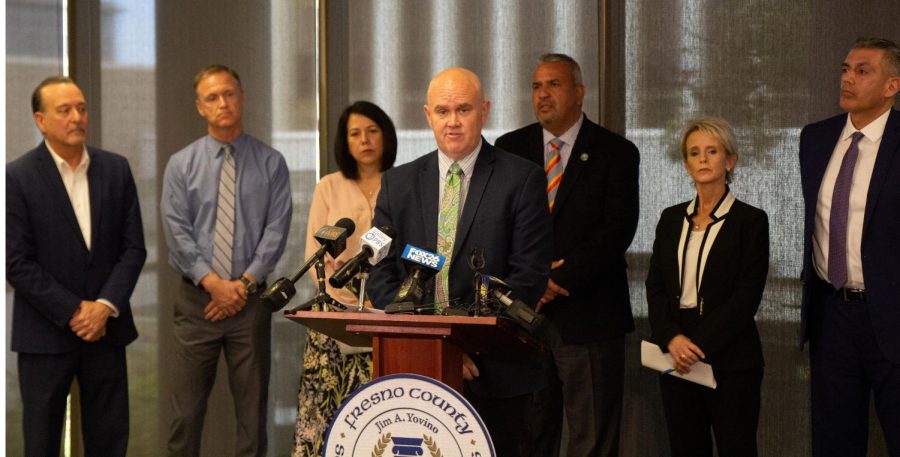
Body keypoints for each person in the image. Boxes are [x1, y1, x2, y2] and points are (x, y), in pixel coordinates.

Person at [367, 67, 553, 457]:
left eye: (463, 110)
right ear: (427, 115)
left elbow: (528, 278)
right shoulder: (397, 184)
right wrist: (437, 347)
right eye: (443, 111)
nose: (452, 122)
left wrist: (462, 346)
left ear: (484, 111)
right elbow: (381, 273)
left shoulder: (522, 180)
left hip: (496, 377)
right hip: (415, 372)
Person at [495, 53, 639, 457]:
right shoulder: (509, 148)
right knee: (529, 432)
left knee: (590, 437)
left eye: (553, 85)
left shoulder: (616, 152)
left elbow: (616, 230)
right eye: (537, 86)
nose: (543, 94)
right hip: (524, 318)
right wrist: (529, 281)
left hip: (588, 314)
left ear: (579, 92)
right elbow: (495, 226)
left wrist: (557, 279)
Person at [6, 76, 146, 456]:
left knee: (110, 439)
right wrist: (74, 311)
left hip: (106, 332)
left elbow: (133, 249)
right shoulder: (16, 178)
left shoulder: (116, 170)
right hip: (44, 336)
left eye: (81, 108)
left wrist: (103, 307)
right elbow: (15, 263)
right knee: (42, 442)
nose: (76, 117)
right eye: (64, 110)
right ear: (40, 120)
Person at [161, 64, 292, 456]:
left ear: (243, 97)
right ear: (200, 107)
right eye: (213, 97)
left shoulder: (271, 163)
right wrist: (214, 285)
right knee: (185, 414)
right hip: (197, 301)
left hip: (250, 302)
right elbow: (176, 231)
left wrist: (243, 285)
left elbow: (276, 230)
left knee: (252, 415)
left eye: (229, 94)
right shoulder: (181, 164)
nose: (223, 103)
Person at [799, 37, 900, 456]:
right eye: (844, 69)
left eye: (862, 71)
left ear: (892, 85)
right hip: (831, 316)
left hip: (892, 316)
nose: (848, 78)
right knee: (834, 442)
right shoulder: (815, 139)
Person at [646, 118, 769, 457]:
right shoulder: (670, 219)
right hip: (675, 353)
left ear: (729, 161)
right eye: (694, 153)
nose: (702, 159)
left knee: (736, 448)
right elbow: (655, 287)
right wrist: (671, 337)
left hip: (729, 357)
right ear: (686, 164)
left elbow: (747, 295)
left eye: (712, 151)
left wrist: (697, 345)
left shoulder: (750, 221)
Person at [292, 101, 398, 456]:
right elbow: (316, 254)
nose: (365, 140)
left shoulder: (404, 182)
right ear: (345, 141)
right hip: (336, 318)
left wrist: (377, 301)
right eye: (355, 133)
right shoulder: (329, 186)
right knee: (325, 417)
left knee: (380, 423)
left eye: (373, 131)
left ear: (386, 135)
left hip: (388, 318)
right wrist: (352, 300)